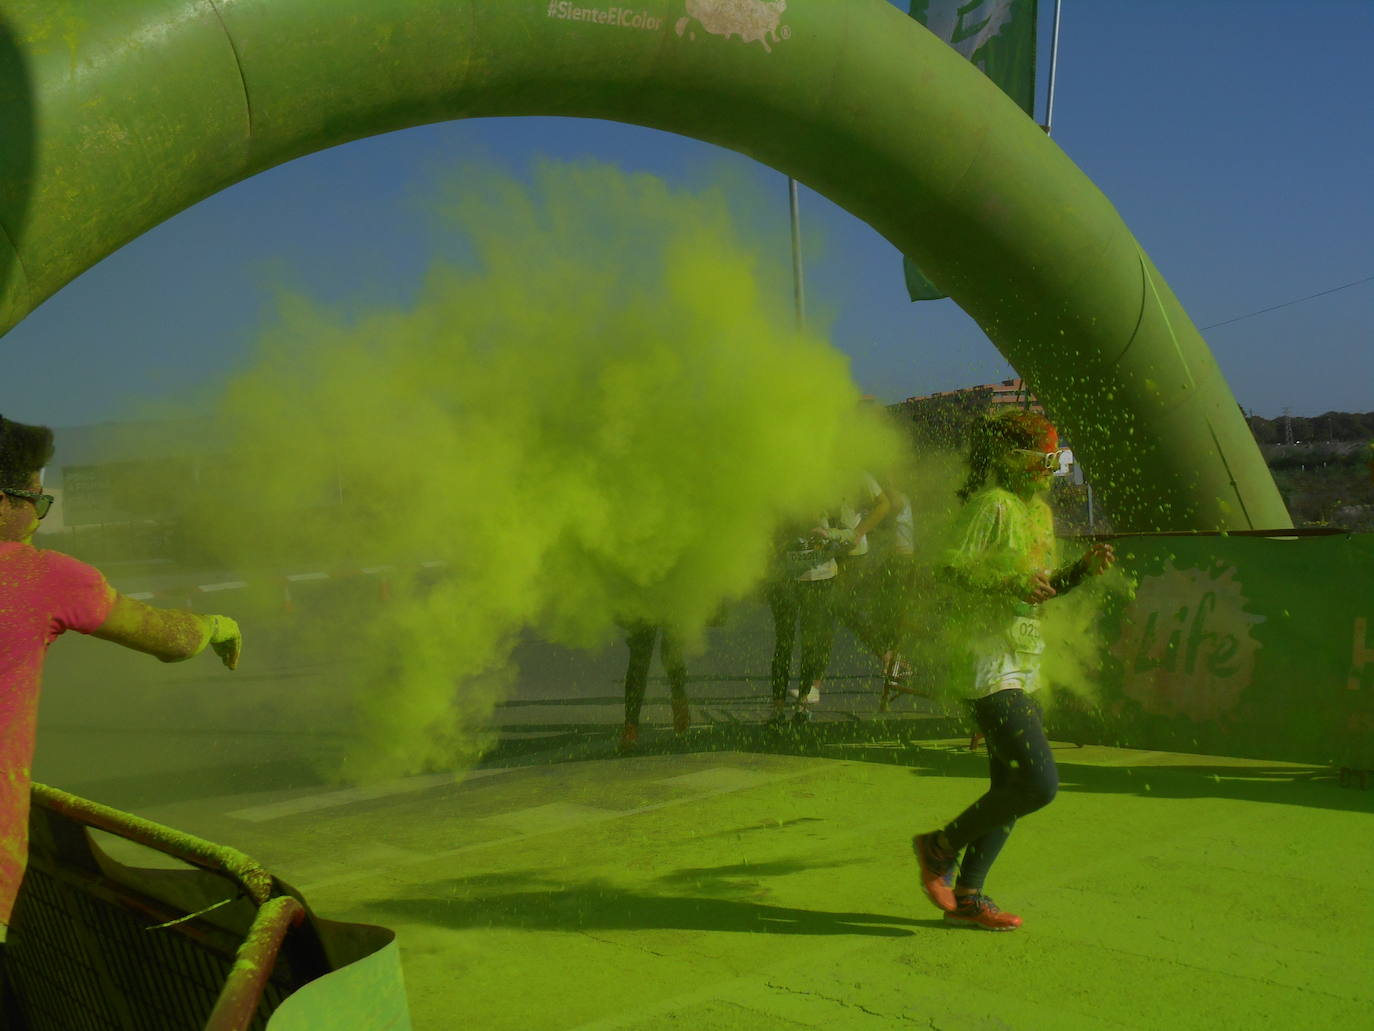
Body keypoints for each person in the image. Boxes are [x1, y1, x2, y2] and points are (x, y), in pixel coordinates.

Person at [0, 415, 242, 1012]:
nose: (40, 516)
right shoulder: (39, 575)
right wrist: (215, 625)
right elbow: (167, 636)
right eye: (35, 498)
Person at [910, 409, 1114, 931]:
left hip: (1024, 660)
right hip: (986, 660)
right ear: (1013, 460)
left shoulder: (1040, 515)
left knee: (1011, 788)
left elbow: (1037, 592)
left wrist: (1080, 574)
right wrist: (1004, 586)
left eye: (1056, 460)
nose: (1051, 470)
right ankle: (939, 847)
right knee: (1039, 783)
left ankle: (970, 896)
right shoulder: (991, 506)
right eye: (1044, 460)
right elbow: (948, 570)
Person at [617, 621, 688, 752]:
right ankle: (631, 723)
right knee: (643, 652)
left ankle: (679, 699)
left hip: (665, 602)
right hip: (653, 601)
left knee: (670, 647)